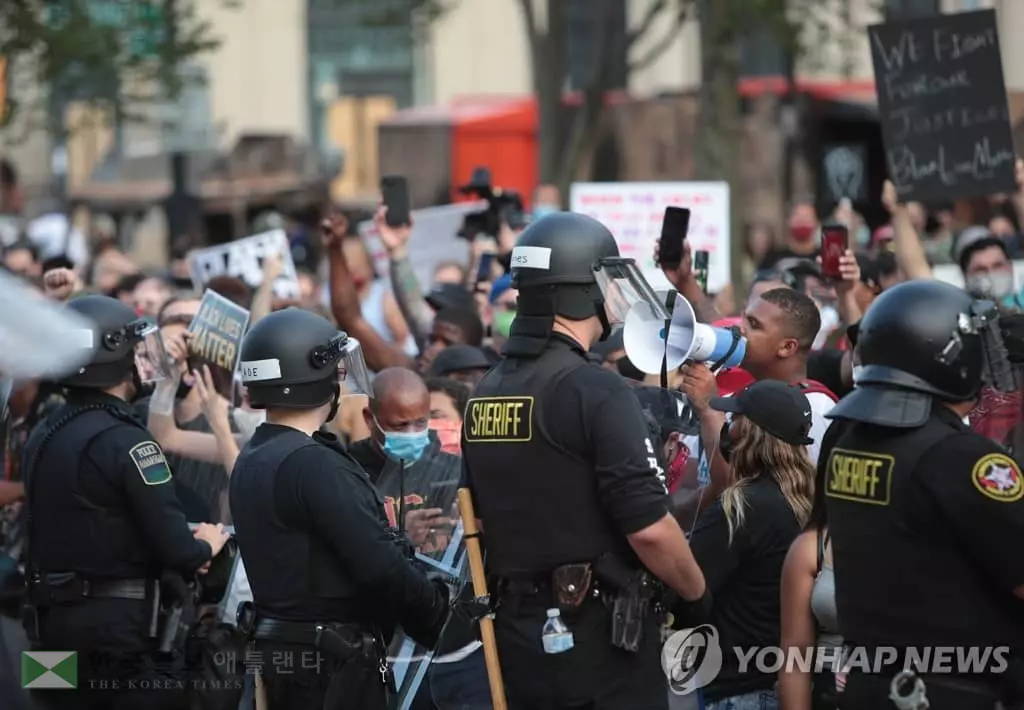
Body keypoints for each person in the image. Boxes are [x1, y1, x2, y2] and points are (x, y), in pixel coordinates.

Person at [461, 211, 707, 710]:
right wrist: (698, 593)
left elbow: (480, 518)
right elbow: (649, 528)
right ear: (580, 290)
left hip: (520, 638)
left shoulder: (487, 389)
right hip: (599, 643)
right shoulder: (593, 387)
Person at [228, 308, 450, 710]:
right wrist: (441, 615)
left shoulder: (256, 454)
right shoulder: (312, 463)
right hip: (331, 669)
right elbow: (380, 565)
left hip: (284, 657)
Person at [821, 279, 1024, 710]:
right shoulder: (963, 458)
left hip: (868, 686)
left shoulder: (848, 443)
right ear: (953, 356)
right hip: (955, 692)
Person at [22, 295, 229, 710]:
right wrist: (207, 543)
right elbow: (178, 548)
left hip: (47, 627)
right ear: (116, 358)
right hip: (117, 632)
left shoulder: (45, 429)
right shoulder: (128, 440)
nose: (144, 360)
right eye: (136, 350)